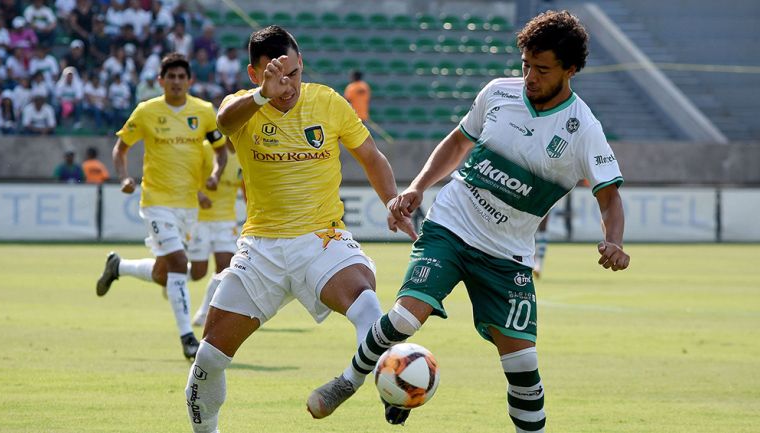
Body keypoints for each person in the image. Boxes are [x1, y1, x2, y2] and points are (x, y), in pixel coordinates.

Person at [307, 11, 631, 431]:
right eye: (525, 65)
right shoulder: (499, 93)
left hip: (506, 255)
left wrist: (615, 241)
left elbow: (609, 196)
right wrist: (418, 186)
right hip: (452, 226)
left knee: (523, 365)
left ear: (571, 70)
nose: (530, 76)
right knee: (406, 317)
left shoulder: (583, 129)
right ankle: (347, 382)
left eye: (542, 69)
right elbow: (459, 140)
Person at [183, 25, 415, 433]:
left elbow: (372, 158)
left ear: (302, 65)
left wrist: (392, 203)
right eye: (275, 76)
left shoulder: (328, 102)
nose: (286, 85)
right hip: (261, 248)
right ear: (254, 75)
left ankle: (379, 380)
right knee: (209, 360)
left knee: (366, 303)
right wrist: (262, 96)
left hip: (320, 240)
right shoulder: (242, 107)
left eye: (293, 74)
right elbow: (223, 120)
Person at [95, 52, 228, 361]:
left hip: (188, 207)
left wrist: (215, 175)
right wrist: (124, 177)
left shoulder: (204, 112)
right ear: (161, 81)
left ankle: (119, 266)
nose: (177, 82)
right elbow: (121, 148)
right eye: (171, 77)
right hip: (156, 202)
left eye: (182, 77)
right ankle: (187, 338)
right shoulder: (146, 112)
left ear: (190, 81)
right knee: (181, 264)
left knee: (166, 272)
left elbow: (221, 152)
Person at [190, 138, 244, 327]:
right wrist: (199, 194)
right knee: (197, 272)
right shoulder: (206, 149)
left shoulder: (245, 153)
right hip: (199, 219)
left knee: (225, 267)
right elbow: (186, 175)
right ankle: (173, 275)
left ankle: (204, 313)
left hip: (226, 221)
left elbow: (247, 188)